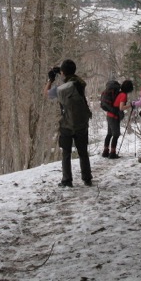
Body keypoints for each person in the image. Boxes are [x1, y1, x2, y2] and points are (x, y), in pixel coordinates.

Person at [45, 59, 93, 187]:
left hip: (67, 123)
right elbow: (72, 81)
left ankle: (67, 180)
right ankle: (87, 178)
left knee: (66, 153)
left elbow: (47, 93)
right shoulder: (80, 83)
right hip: (82, 122)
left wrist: (50, 79)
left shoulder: (60, 89)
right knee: (83, 152)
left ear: (63, 73)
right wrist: (62, 72)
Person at [103, 79, 134, 159]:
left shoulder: (119, 93)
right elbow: (121, 107)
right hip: (114, 116)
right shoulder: (123, 95)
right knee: (116, 134)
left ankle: (105, 152)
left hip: (109, 114)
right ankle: (112, 153)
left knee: (109, 134)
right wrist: (130, 105)